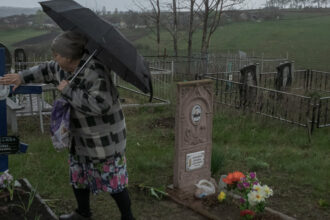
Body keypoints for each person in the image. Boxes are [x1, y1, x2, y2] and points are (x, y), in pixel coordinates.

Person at [0, 31, 134, 220]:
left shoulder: (96, 72)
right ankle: (83, 213)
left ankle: (127, 216)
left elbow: (100, 105)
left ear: (69, 56)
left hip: (103, 140)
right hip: (79, 136)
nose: (54, 58)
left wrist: (69, 90)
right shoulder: (62, 68)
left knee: (113, 181)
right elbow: (45, 69)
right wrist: (21, 77)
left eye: (57, 54)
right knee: (78, 176)